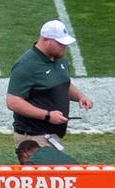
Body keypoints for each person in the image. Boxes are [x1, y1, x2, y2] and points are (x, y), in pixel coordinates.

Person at [6, 19, 92, 156]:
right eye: (60, 43)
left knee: (55, 175)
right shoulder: (26, 65)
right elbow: (13, 102)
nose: (64, 47)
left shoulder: (59, 58)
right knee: (48, 176)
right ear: (46, 40)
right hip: (34, 138)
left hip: (51, 136)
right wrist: (47, 115)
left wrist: (80, 96)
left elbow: (63, 83)